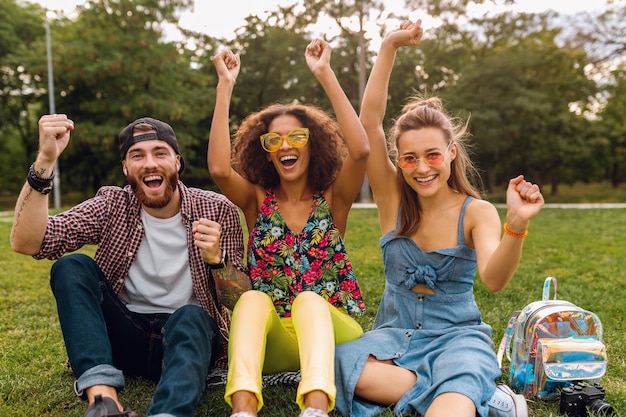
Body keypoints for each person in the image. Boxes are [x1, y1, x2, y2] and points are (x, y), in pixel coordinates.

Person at [333, 19, 544, 417]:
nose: (422, 167)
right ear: (399, 161)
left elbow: (494, 281)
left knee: (448, 410)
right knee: (339, 364)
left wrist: (515, 224)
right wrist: (389, 46)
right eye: (409, 158)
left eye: (432, 155)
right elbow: (370, 123)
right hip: (394, 337)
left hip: (457, 338)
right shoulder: (392, 198)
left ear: (450, 152)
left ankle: (461, 389)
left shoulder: (476, 211)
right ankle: (488, 399)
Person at [10, 115, 252, 417]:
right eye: (137, 156)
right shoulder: (112, 204)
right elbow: (29, 243)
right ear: (126, 168)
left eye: (160, 153)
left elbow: (241, 301)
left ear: (177, 162)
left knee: (192, 315)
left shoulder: (217, 210)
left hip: (186, 340)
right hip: (122, 338)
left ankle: (168, 412)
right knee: (72, 266)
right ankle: (104, 401)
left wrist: (217, 260)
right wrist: (45, 160)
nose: (150, 163)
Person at [209, 38, 369, 417]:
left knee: (309, 300)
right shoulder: (255, 200)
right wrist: (225, 86)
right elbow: (218, 169)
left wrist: (325, 74)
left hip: (331, 331)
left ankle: (315, 408)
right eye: (274, 139)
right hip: (277, 341)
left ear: (313, 144)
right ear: (265, 150)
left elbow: (361, 151)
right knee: (251, 299)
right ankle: (243, 408)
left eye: (296, 136)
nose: (285, 145)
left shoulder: (333, 200)